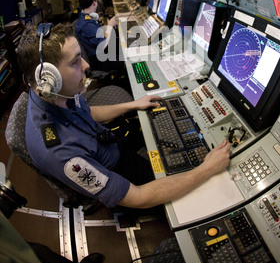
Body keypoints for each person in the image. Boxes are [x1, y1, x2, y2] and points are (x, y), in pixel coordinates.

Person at [17, 23, 231, 211]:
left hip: (106, 141)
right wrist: (206, 169)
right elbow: (139, 197)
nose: (86, 66)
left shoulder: (57, 93)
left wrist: (133, 105)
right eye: (75, 62)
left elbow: (86, 113)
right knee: (193, 179)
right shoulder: (61, 155)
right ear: (47, 78)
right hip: (117, 170)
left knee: (157, 120)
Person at [75, 0, 122, 72]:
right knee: (125, 58)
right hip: (99, 60)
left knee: (121, 44)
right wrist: (110, 26)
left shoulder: (85, 18)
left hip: (99, 54)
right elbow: (103, 44)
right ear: (94, 3)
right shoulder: (87, 24)